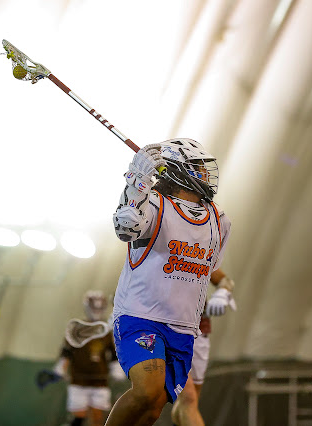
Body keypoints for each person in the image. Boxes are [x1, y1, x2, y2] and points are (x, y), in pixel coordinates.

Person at [106, 138, 232, 426]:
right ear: (178, 171)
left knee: (153, 407)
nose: (205, 174)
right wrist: (137, 183)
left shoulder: (219, 220)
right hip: (141, 316)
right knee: (146, 390)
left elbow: (210, 267)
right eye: (198, 167)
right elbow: (126, 227)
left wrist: (225, 289)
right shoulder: (154, 204)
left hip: (184, 326)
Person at [36, 290, 125, 426]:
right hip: (78, 380)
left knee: (97, 417)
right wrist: (60, 369)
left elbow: (113, 354)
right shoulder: (76, 328)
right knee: (78, 417)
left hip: (100, 381)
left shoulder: (106, 331)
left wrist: (117, 370)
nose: (96, 311)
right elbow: (67, 352)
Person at [171, 268, 236, 426]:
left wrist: (223, 292)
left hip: (199, 331)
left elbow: (225, 280)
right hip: (170, 330)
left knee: (190, 402)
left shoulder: (202, 255)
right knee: (188, 397)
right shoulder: (162, 254)